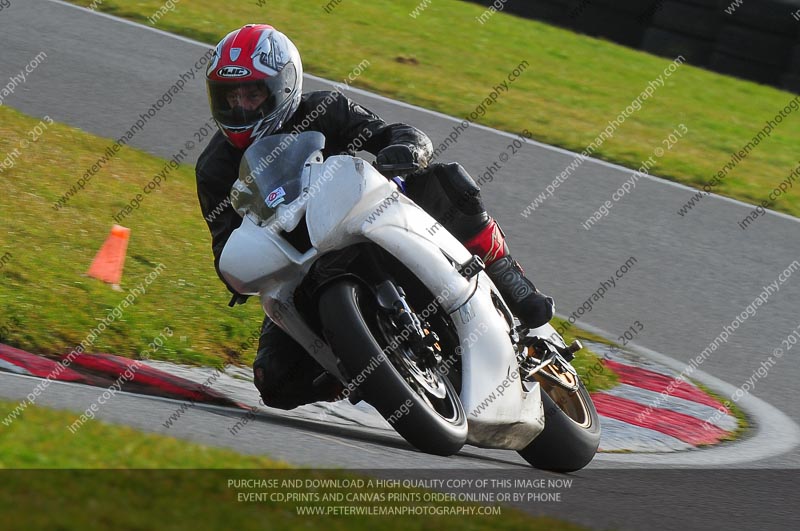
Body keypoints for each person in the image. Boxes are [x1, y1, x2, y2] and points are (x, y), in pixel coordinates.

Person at [196, 24, 554, 410]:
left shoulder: (325, 109)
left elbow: (389, 133)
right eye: (229, 96)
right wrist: (237, 271)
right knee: (276, 382)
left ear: (283, 86)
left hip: (367, 225)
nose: (241, 107)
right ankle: (363, 367)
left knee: (444, 181)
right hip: (300, 269)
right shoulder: (215, 168)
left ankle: (509, 277)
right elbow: (225, 244)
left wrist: (405, 147)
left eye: (252, 93)